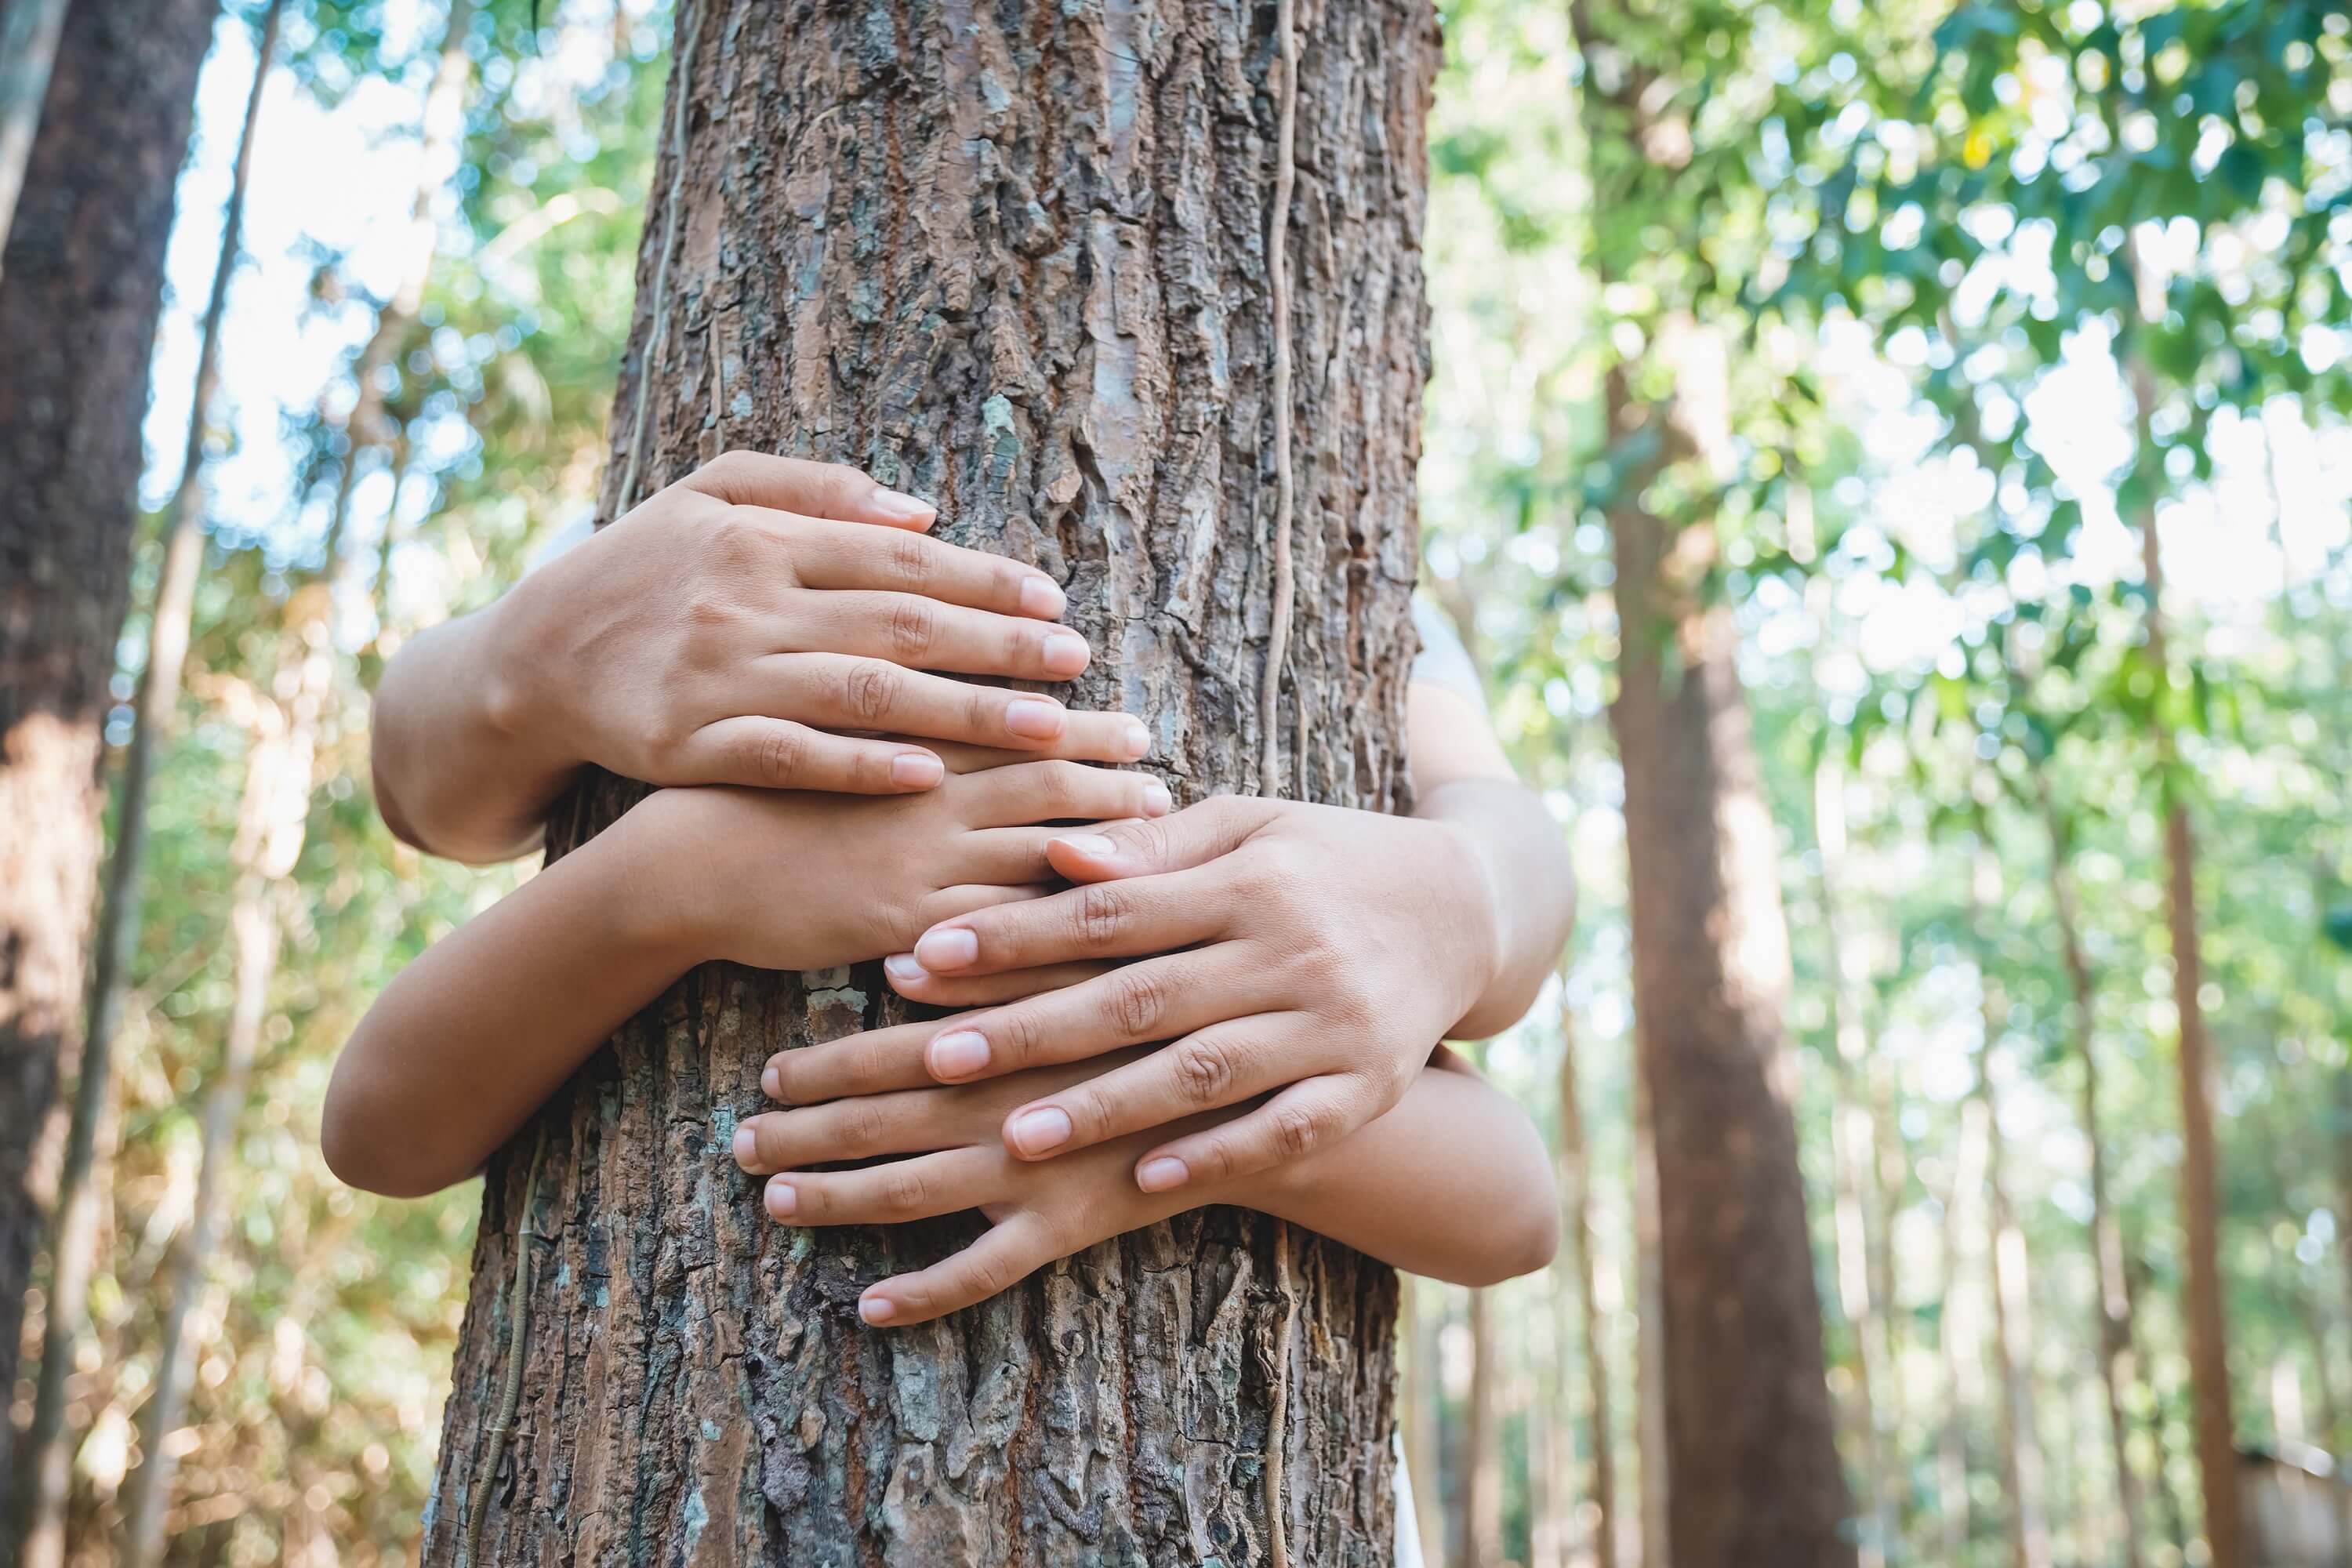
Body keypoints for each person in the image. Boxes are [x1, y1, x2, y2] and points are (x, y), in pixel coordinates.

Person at [326, 451, 1570, 1327]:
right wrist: (679, 871)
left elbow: (1518, 1198)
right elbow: (381, 1114)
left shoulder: (1353, 597)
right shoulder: (668, 555)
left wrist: (1149, 1110)